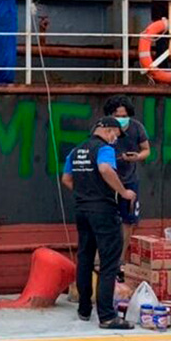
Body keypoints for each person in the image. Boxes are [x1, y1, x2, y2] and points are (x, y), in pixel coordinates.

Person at [62, 116, 138, 329]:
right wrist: (123, 192)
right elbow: (105, 169)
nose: (115, 138)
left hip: (82, 210)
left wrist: (84, 193)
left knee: (85, 258)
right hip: (103, 210)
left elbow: (66, 179)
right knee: (109, 261)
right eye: (115, 133)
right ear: (106, 129)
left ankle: (84, 309)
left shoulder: (76, 151)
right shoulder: (105, 150)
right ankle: (107, 316)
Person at [103, 95, 152, 272]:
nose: (121, 119)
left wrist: (137, 157)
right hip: (107, 180)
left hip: (129, 178)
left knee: (128, 220)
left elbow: (146, 150)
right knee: (105, 219)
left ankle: (120, 260)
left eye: (124, 115)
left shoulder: (137, 128)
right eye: (117, 115)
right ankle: (101, 259)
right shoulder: (103, 128)